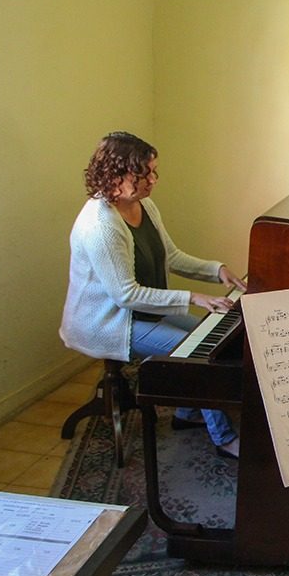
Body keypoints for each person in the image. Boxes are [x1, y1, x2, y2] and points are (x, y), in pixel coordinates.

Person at [60, 131, 246, 459]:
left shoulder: (143, 204)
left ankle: (187, 413)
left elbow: (169, 256)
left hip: (141, 309)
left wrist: (217, 270)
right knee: (196, 358)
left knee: (214, 339)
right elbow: (126, 295)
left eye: (153, 171)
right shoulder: (100, 226)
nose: (152, 180)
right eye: (144, 173)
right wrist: (193, 297)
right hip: (110, 322)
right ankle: (223, 438)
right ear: (116, 174)